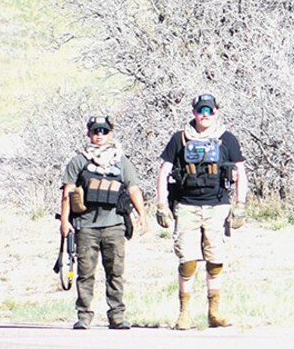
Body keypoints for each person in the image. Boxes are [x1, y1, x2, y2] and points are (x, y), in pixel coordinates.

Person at [155, 92, 247, 331]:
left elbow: (241, 173)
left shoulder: (228, 139)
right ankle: (184, 314)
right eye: (201, 111)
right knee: (187, 261)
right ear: (194, 112)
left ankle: (214, 313)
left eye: (210, 111)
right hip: (186, 207)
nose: (205, 115)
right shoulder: (179, 139)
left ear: (216, 112)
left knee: (216, 261)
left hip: (218, 207)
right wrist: (162, 206)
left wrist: (241, 206)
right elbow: (163, 171)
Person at [60, 115, 145, 330]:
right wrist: (64, 220)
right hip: (86, 225)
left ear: (111, 133)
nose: (100, 135)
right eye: (96, 131)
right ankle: (84, 315)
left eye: (104, 131)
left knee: (115, 272)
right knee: (85, 273)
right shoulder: (79, 160)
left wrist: (142, 215)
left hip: (114, 225)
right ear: (88, 134)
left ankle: (117, 315)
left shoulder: (121, 161)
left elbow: (133, 188)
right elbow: (68, 191)